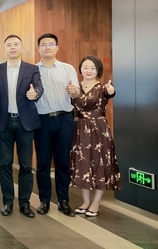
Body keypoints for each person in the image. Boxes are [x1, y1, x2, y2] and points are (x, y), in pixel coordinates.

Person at [0, 35, 43, 218]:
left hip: (24, 123)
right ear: (4, 49)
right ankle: (7, 202)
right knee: (5, 164)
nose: (12, 47)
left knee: (26, 165)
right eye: (9, 45)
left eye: (16, 44)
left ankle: (25, 203)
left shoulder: (32, 69)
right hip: (3, 123)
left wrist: (35, 93)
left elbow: (39, 87)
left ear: (21, 47)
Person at [68, 55, 120, 217]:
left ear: (98, 70)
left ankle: (96, 203)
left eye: (92, 68)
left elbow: (111, 93)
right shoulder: (74, 87)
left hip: (99, 130)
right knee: (82, 165)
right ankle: (85, 201)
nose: (88, 70)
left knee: (100, 164)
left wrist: (111, 91)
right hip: (79, 129)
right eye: (85, 67)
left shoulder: (104, 87)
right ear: (80, 69)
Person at [34, 33, 78, 217]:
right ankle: (44, 200)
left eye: (51, 44)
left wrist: (74, 91)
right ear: (38, 48)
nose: (47, 47)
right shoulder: (33, 70)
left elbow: (76, 94)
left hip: (64, 118)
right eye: (43, 44)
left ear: (57, 47)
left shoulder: (67, 69)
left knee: (63, 162)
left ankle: (63, 201)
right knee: (43, 162)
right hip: (42, 120)